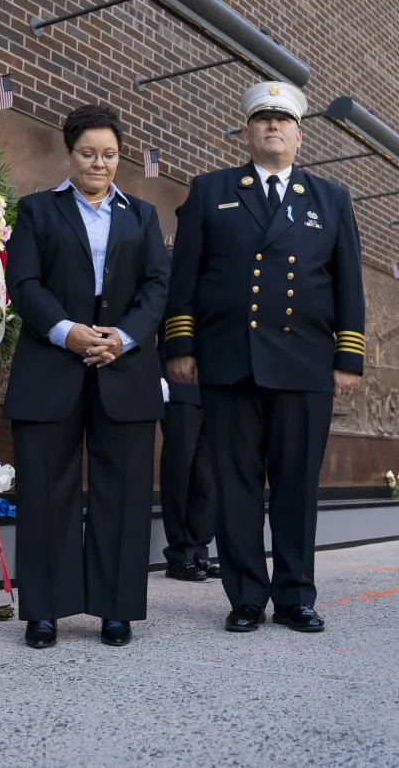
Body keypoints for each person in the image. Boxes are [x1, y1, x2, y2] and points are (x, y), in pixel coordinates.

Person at [164, 81, 365, 634]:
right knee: (235, 485)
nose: (273, 127)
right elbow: (186, 277)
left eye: (283, 120)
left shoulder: (331, 199)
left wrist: (348, 355)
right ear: (247, 132)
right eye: (263, 119)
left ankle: (296, 595)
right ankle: (246, 596)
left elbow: (349, 284)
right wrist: (180, 345)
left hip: (304, 365)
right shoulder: (210, 191)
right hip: (230, 360)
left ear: (299, 136)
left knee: (297, 486)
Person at [2, 104, 169, 649]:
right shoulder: (36, 211)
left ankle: (114, 609)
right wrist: (67, 331)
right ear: (69, 153)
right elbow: (23, 283)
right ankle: (45, 610)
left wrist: (122, 337)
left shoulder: (142, 216)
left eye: (110, 154)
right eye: (89, 153)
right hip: (52, 365)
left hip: (124, 369)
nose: (100, 163)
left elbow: (157, 288)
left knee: (121, 492)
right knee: (48, 491)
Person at [158, 246, 220, 581]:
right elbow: (157, 317)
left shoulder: (226, 256)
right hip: (179, 380)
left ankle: (200, 549)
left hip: (217, 381)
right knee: (179, 468)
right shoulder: (172, 257)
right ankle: (179, 553)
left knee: (208, 473)